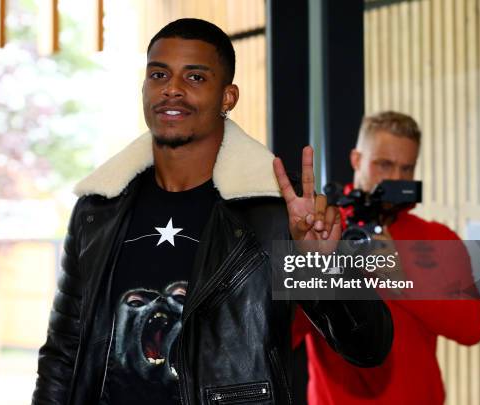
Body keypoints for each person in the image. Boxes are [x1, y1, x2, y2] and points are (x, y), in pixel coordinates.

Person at [32, 18, 393, 405]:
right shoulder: (97, 210)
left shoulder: (274, 214)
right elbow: (64, 352)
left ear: (228, 97)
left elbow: (369, 347)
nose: (171, 89)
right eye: (158, 74)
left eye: (195, 78)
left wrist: (323, 265)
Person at [293, 111, 480, 404]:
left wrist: (403, 283)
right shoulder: (321, 230)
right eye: (384, 165)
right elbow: (282, 334)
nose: (396, 179)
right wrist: (312, 268)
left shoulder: (436, 237)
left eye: (406, 169)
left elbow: (473, 327)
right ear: (356, 160)